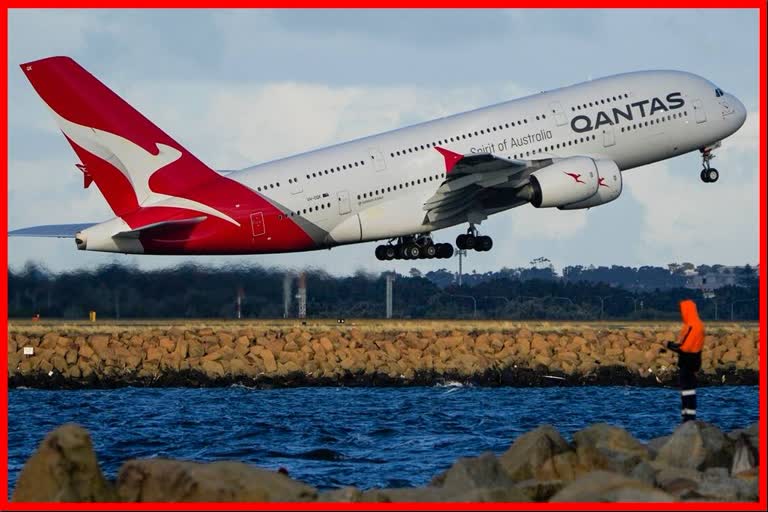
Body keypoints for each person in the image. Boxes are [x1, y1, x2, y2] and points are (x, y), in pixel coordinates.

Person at [666, 299, 705, 422]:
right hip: (692, 362)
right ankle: (687, 416)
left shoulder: (693, 326)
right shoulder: (694, 325)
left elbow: (685, 347)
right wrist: (672, 345)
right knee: (687, 390)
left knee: (688, 390)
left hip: (688, 362)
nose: (681, 313)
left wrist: (669, 345)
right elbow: (683, 344)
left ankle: (688, 418)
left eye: (682, 310)